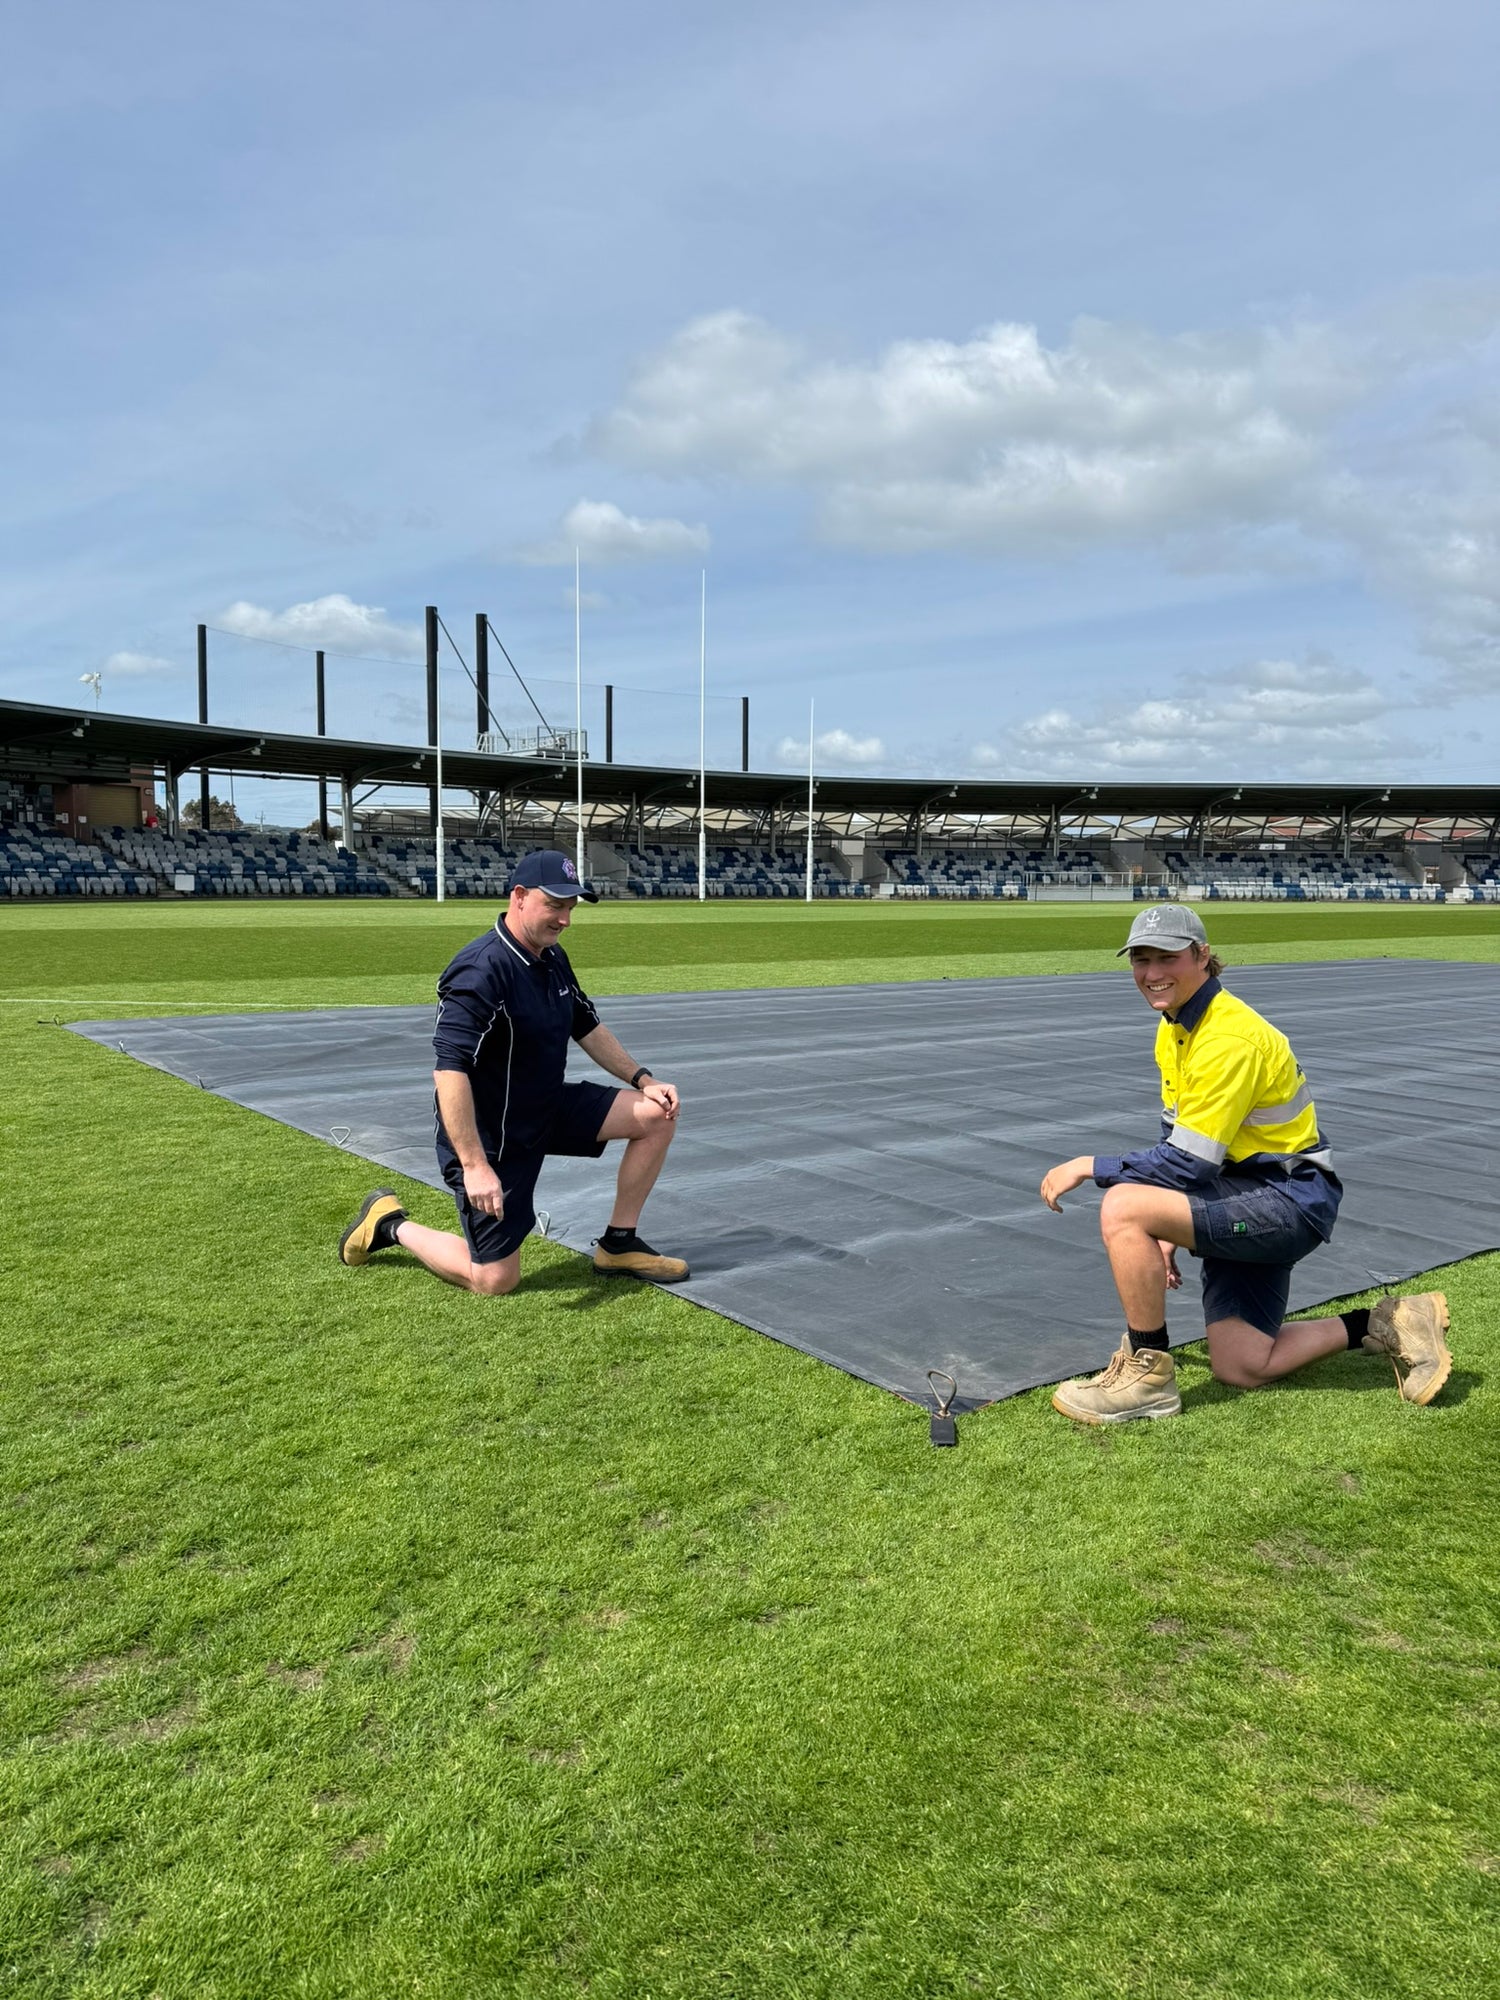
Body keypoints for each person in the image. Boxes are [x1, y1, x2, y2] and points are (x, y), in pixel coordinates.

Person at [1039, 903, 1451, 1423]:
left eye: (1166, 957)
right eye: (1140, 959)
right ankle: (1386, 1320)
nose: (1151, 973)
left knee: (1121, 1205)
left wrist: (1088, 1165)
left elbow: (1187, 1165)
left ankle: (1148, 1377)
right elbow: (1182, 1141)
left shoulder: (1227, 1036)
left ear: (1202, 956)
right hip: (1244, 1193)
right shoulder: (1176, 1027)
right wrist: (1168, 1225)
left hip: (1287, 1201)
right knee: (1242, 1365)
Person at [338, 849, 689, 1294]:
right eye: (555, 905)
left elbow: (586, 1024)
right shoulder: (480, 969)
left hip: (547, 1107)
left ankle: (618, 1244)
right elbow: (449, 1072)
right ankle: (390, 1223)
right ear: (519, 897)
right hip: (494, 1140)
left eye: (571, 908)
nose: (565, 919)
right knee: (495, 1279)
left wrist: (644, 1079)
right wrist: (474, 1165)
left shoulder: (550, 955)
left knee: (658, 1114)